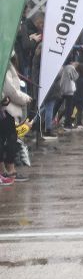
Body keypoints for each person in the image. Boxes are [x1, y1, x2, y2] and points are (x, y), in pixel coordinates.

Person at [2, 53, 31, 183]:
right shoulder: (6, 66)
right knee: (10, 138)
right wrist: (25, 98)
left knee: (8, 138)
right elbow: (10, 90)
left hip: (7, 107)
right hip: (6, 108)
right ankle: (9, 170)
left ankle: (7, 170)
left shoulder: (7, 66)